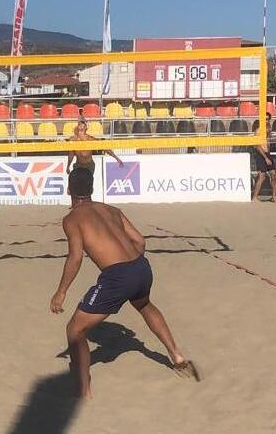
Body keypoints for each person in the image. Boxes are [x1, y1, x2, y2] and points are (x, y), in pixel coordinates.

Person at [50, 168, 199, 398]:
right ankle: (176, 355)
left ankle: (84, 390)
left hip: (118, 275)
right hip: (141, 266)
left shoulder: (72, 219)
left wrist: (61, 292)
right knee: (144, 305)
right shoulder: (111, 209)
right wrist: (131, 267)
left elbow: (75, 257)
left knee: (75, 329)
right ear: (91, 189)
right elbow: (140, 241)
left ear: (69, 190)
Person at [251, 116, 276, 202]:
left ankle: (273, 196)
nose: (266, 120)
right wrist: (266, 158)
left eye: (268, 119)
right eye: (265, 119)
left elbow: (268, 143)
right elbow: (258, 146)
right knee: (262, 176)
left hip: (267, 153)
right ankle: (255, 197)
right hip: (260, 154)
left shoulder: (268, 130)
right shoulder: (258, 131)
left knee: (274, 174)